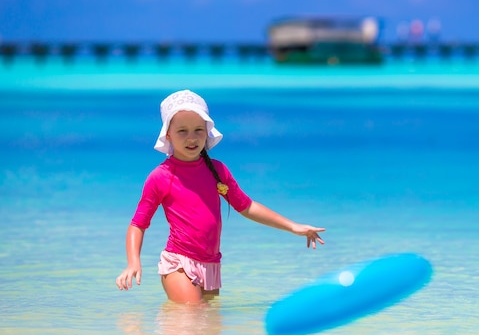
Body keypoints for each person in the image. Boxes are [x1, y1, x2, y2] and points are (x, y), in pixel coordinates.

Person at [116, 89, 325, 303]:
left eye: (198, 130)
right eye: (182, 131)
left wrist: (293, 226)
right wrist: (133, 262)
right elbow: (138, 224)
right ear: (167, 135)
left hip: (211, 264)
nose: (192, 138)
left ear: (207, 132)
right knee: (192, 316)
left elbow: (247, 206)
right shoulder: (161, 177)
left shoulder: (217, 170)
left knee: (207, 329)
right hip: (178, 263)